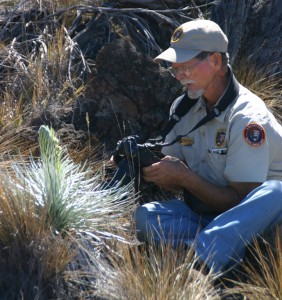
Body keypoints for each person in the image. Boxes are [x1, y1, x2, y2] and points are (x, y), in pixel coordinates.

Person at [134, 19, 282, 273]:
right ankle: (227, 251)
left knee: (277, 192)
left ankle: (200, 262)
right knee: (146, 217)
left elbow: (239, 202)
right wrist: (149, 167)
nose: (180, 76)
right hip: (213, 215)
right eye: (175, 69)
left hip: (260, 220)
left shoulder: (247, 119)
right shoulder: (183, 108)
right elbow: (175, 178)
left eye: (186, 67)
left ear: (215, 62)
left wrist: (185, 178)